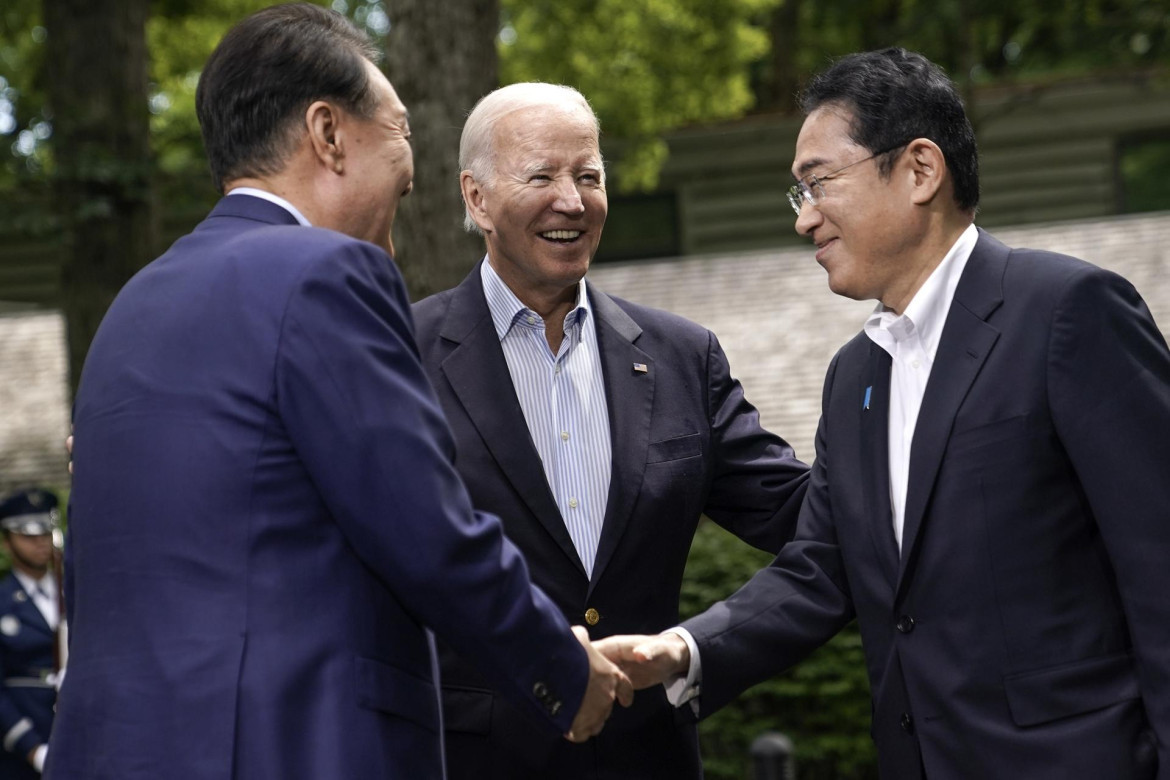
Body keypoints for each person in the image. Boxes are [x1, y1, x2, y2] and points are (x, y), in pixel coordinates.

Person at [46, 6, 631, 779]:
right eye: (399, 151)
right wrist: (564, 670)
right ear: (327, 134)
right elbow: (428, 530)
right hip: (284, 744)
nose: (398, 221)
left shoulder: (133, 308)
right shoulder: (325, 273)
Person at [596, 48, 1170, 779]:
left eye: (818, 183)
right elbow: (820, 570)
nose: (804, 219)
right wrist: (681, 650)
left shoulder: (1069, 313)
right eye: (796, 193)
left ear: (920, 170)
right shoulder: (853, 378)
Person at [412, 82, 809, 779]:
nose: (572, 200)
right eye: (541, 175)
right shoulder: (402, 355)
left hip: (647, 756)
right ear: (476, 199)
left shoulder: (686, 357)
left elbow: (808, 518)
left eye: (588, 176)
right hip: (476, 759)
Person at [0, 489, 62, 778]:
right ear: (7, 542)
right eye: (28, 535)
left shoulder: (74, 594)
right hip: (22, 753)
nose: (40, 542)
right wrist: (32, 748)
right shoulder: (3, 602)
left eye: (45, 533)